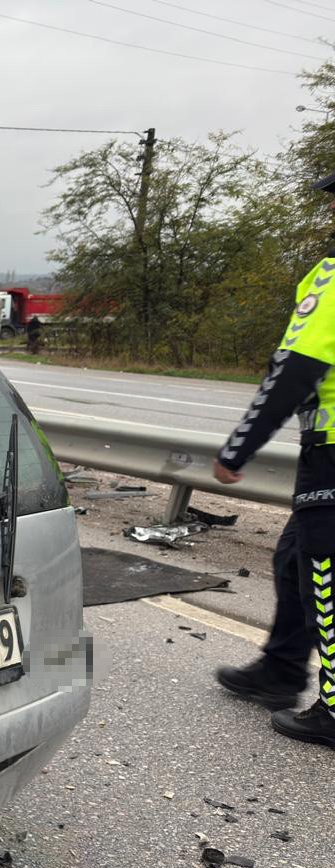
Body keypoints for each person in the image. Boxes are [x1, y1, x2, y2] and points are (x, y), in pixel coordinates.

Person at [213, 171, 335, 748]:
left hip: (332, 457)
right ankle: (282, 670)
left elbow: (292, 372)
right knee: (295, 558)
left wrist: (239, 448)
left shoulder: (333, 281)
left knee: (324, 576)